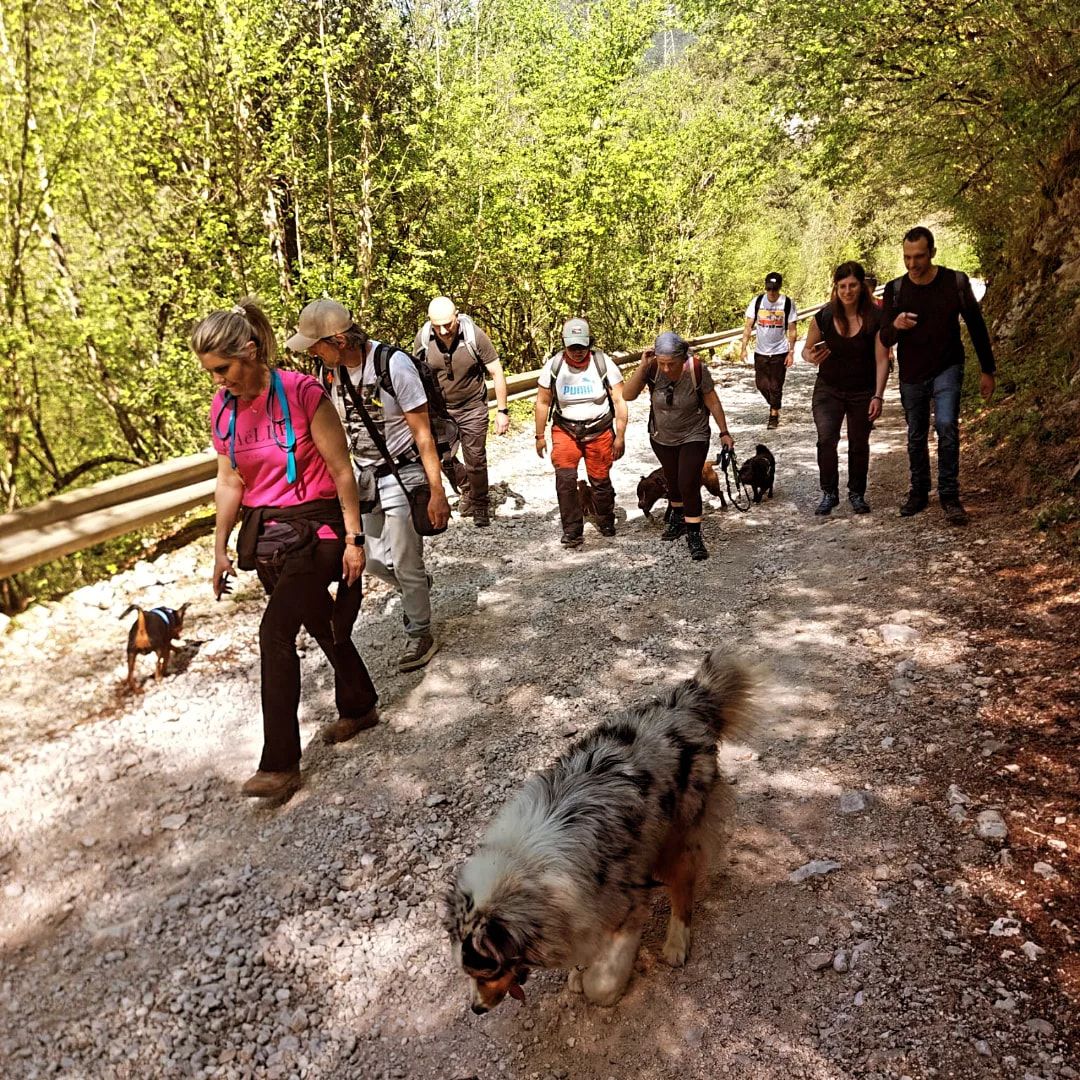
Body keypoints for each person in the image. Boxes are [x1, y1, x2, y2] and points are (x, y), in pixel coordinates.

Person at [193, 298, 378, 801]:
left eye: (223, 369)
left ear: (250, 351)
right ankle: (359, 704)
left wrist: (355, 540)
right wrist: (220, 549)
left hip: (319, 529)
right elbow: (230, 481)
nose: (218, 381)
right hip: (269, 536)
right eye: (211, 373)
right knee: (322, 621)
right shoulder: (224, 411)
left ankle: (280, 764)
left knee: (274, 632)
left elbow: (342, 471)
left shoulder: (302, 393)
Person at [286, 299, 450, 671]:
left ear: (339, 340)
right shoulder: (331, 373)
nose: (312, 352)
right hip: (365, 478)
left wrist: (437, 490)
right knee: (372, 559)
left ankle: (420, 631)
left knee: (406, 559)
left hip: (404, 472)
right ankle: (417, 585)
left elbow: (422, 434)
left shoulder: (394, 366)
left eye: (316, 344)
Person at [880, 226, 996, 525]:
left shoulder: (954, 282)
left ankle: (949, 495)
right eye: (907, 257)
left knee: (946, 425)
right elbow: (884, 337)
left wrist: (988, 370)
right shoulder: (895, 289)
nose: (912, 264)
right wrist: (896, 325)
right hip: (912, 373)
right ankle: (919, 492)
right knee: (916, 434)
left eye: (919, 257)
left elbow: (976, 325)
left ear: (932, 253)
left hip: (948, 366)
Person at [623, 332, 735, 561]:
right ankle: (678, 518)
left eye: (670, 364)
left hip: (694, 433)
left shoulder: (696, 369)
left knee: (688, 482)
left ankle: (694, 534)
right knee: (672, 480)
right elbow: (628, 394)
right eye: (661, 363)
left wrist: (724, 433)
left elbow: (712, 400)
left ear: (682, 359)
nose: (665, 369)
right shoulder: (652, 368)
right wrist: (643, 366)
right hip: (661, 436)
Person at [801, 262, 890, 516]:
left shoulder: (875, 317)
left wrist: (878, 395)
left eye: (852, 285)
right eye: (842, 286)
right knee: (826, 439)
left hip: (863, 389)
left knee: (859, 443)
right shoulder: (824, 316)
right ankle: (829, 492)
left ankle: (856, 493)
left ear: (861, 287)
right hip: (828, 388)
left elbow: (882, 358)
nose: (847, 291)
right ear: (836, 288)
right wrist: (811, 356)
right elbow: (805, 350)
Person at [413, 297, 509, 528]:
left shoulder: (474, 336)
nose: (444, 330)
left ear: (457, 316)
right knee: (441, 457)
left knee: (475, 458)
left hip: (473, 406)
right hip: (441, 410)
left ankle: (480, 505)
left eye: (448, 323)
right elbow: (414, 374)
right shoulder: (424, 339)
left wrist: (503, 411)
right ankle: (467, 487)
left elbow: (496, 371)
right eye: (437, 326)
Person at [534, 318, 628, 547]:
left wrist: (621, 435)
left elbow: (619, 399)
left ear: (589, 343)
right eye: (572, 347)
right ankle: (572, 531)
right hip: (566, 430)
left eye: (582, 346)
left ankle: (605, 519)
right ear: (564, 344)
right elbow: (543, 402)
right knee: (565, 481)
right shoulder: (554, 366)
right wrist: (539, 436)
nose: (577, 352)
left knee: (600, 479)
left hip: (599, 430)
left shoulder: (602, 363)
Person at [738, 272, 798, 429]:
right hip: (761, 351)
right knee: (761, 384)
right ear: (766, 287)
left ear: (779, 288)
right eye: (769, 289)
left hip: (780, 351)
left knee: (776, 386)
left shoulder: (787, 303)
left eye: (774, 289)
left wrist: (791, 352)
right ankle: (775, 403)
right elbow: (748, 326)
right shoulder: (758, 301)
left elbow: (792, 328)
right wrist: (743, 348)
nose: (771, 292)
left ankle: (774, 414)